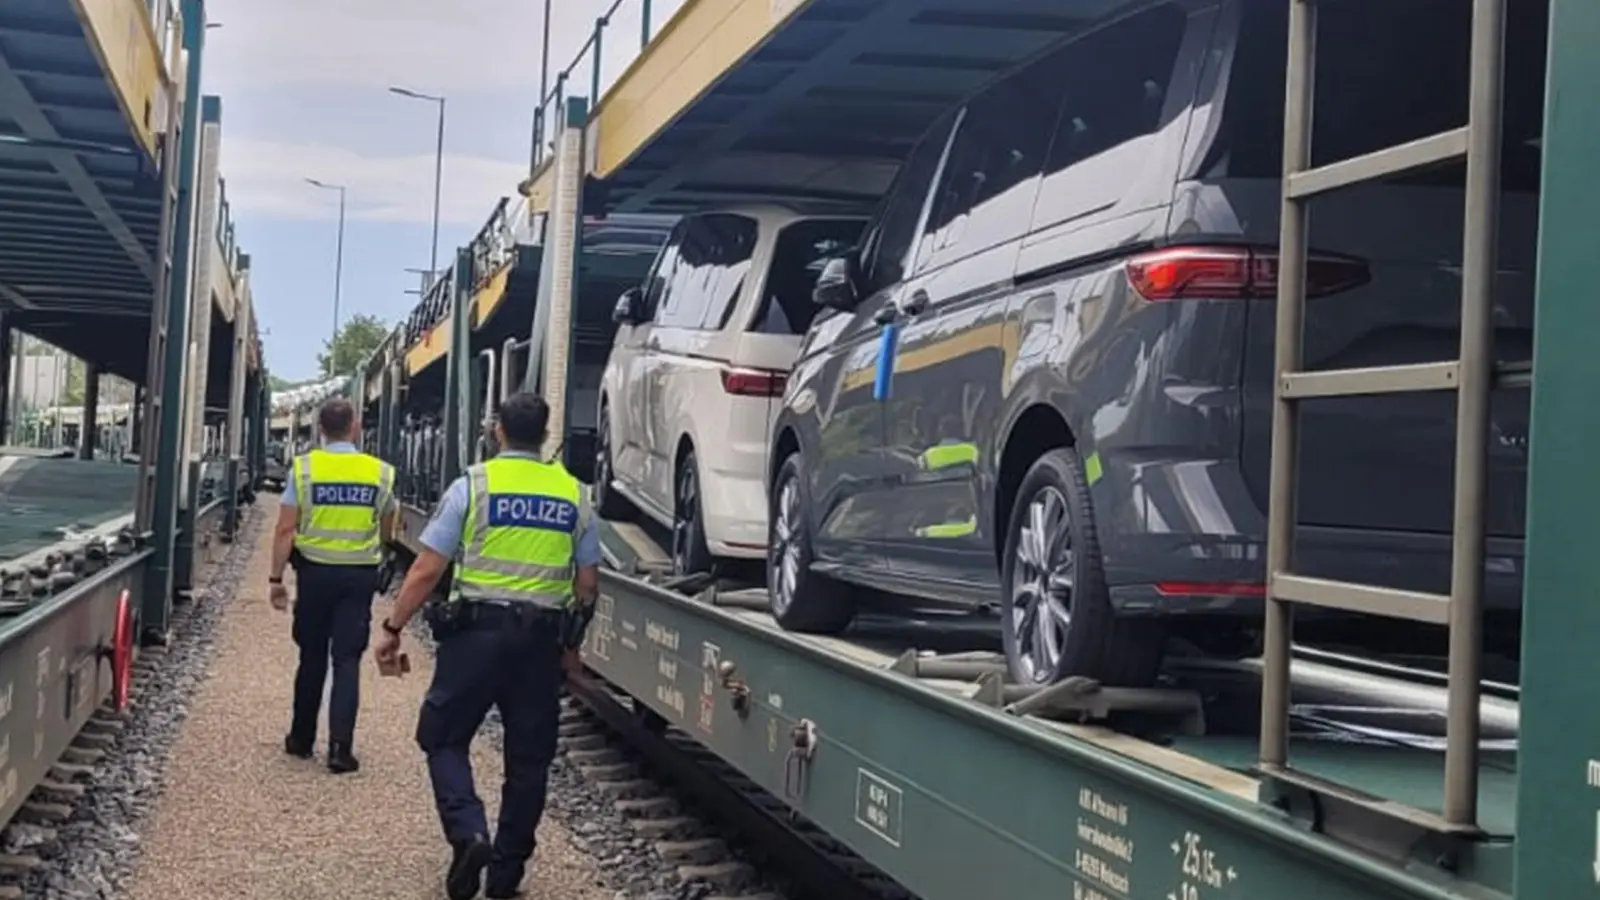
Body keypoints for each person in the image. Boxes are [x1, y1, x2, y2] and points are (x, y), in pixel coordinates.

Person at [376, 392, 600, 900]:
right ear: (545, 435)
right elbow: (587, 584)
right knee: (530, 759)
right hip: (540, 644)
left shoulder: (472, 486)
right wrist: (572, 644)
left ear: (497, 430)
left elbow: (427, 568)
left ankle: (468, 831)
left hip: (474, 639)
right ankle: (505, 874)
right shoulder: (574, 494)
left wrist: (392, 628)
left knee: (444, 737)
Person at [268, 398, 398, 774]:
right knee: (347, 659)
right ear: (355, 427)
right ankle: (341, 749)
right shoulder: (380, 472)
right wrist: (381, 550)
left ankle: (301, 739)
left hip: (314, 574)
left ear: (320, 429)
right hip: (359, 576)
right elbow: (389, 521)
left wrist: (276, 579)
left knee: (311, 655)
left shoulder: (305, 469)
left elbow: (284, 529)